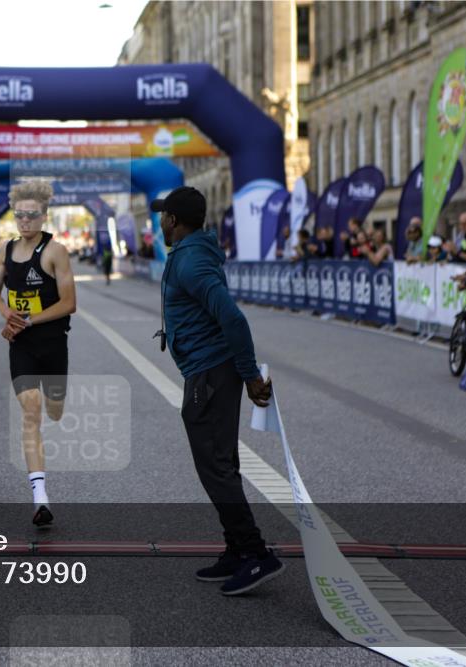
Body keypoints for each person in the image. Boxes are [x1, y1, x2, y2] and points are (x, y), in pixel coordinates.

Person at [152, 186, 282, 596]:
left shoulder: (190, 261)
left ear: (174, 220)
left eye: (163, 215)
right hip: (208, 371)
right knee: (221, 463)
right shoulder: (191, 254)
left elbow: (233, 318)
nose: (159, 221)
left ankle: (256, 553)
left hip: (210, 374)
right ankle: (237, 551)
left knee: (215, 467)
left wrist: (249, 376)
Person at [0, 180, 76, 528]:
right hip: (21, 346)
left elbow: (70, 303)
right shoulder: (4, 249)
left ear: (44, 216)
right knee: (31, 412)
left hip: (53, 344)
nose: (25, 221)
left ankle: (57, 399)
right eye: (19, 215)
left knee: (54, 409)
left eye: (32, 215)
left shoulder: (56, 252)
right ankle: (40, 498)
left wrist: (28, 320)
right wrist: (5, 313)